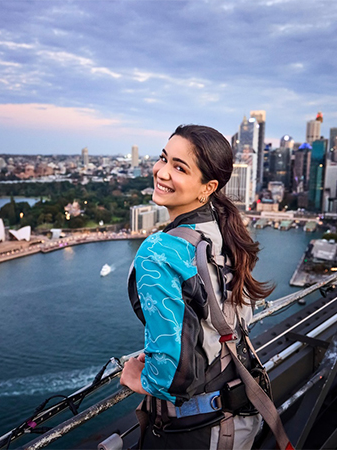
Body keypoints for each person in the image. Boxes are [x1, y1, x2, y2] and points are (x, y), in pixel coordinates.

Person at [120, 125, 276, 449]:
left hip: (194, 431)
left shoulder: (159, 251)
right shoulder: (223, 228)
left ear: (208, 186)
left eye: (179, 167)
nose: (161, 172)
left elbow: (173, 375)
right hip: (240, 412)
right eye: (164, 158)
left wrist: (140, 379)